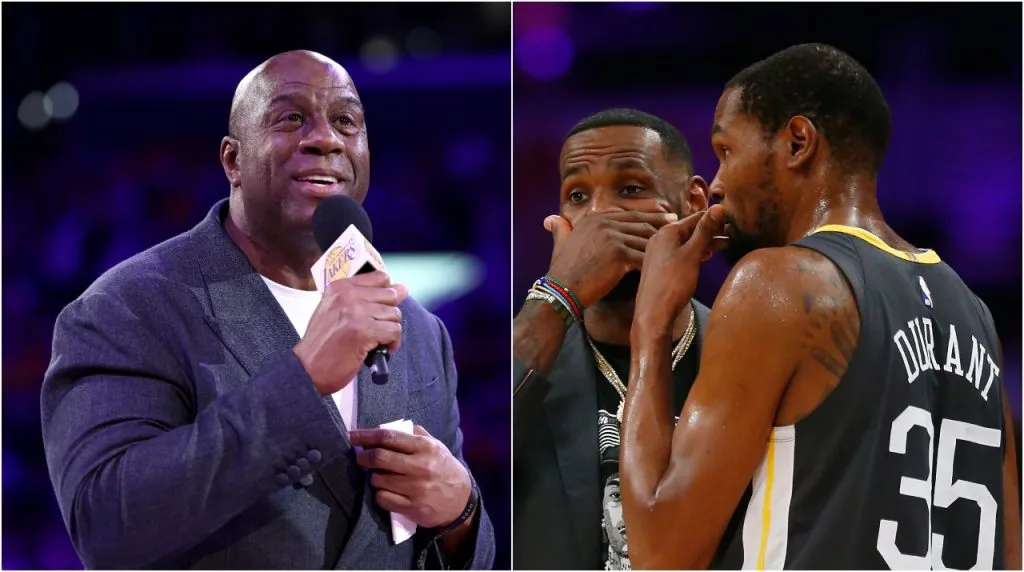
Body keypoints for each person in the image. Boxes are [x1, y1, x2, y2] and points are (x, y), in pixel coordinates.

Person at [40, 50, 495, 569]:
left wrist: (462, 515)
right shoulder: (128, 309)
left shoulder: (418, 330)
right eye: (291, 118)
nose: (325, 138)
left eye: (346, 121)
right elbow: (105, 526)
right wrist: (302, 382)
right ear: (233, 160)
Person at [619, 43, 1022, 570]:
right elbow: (1010, 553)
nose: (715, 184)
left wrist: (649, 325)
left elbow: (659, 553)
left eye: (726, 151)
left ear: (797, 143)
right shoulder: (973, 313)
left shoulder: (777, 284)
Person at [512, 108, 712, 569]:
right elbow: (457, 437)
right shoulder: (532, 350)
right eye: (577, 195)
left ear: (694, 203)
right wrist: (557, 295)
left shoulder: (736, 345)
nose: (599, 216)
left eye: (631, 188)